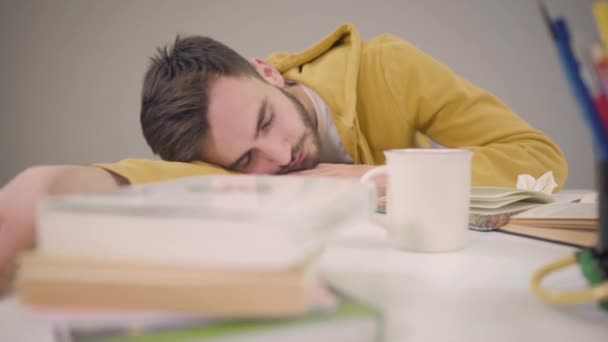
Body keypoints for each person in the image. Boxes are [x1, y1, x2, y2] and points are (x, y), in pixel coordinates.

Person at [0, 23, 568, 294]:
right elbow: (121, 181)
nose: (280, 156)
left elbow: (536, 158)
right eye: (246, 159)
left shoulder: (386, 68)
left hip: (468, 278)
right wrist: (37, 191)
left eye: (267, 120)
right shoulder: (218, 161)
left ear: (268, 72)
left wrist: (369, 178)